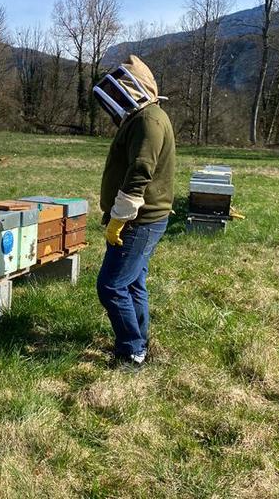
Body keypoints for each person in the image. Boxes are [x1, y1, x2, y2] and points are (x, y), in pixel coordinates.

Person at [94, 55, 176, 369]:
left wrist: (119, 219)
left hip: (139, 220)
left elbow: (141, 171)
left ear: (134, 88)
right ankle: (139, 340)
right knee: (132, 282)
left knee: (111, 285)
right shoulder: (146, 117)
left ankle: (132, 350)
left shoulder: (148, 120)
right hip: (144, 219)